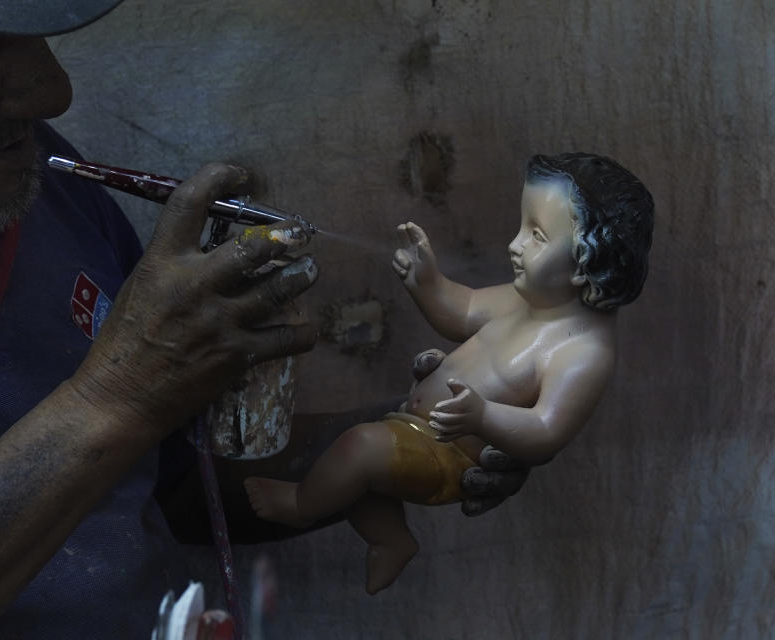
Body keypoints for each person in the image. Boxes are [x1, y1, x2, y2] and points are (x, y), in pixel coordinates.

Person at [0, 1, 527, 637]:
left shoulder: (36, 185)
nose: (51, 90)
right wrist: (117, 398)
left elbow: (165, 484)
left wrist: (407, 433)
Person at [245, 152, 654, 595]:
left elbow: (547, 427)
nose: (514, 245)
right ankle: (391, 540)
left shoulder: (582, 351)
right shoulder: (529, 299)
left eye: (536, 235)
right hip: (414, 426)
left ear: (587, 259)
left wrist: (482, 418)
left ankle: (301, 503)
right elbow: (464, 309)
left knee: (361, 447)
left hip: (448, 458)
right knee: (362, 474)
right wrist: (428, 282)